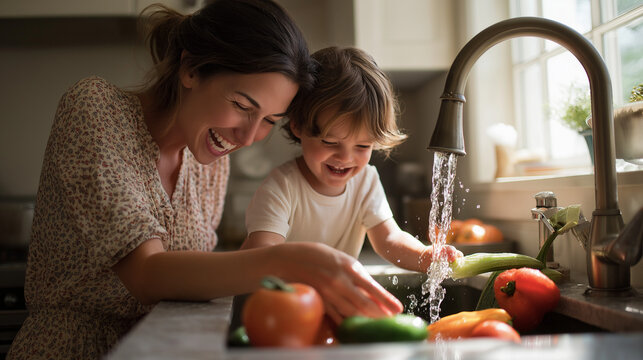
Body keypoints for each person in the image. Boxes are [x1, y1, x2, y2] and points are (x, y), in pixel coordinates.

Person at [7, 2, 402, 359]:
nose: (247, 138)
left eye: (268, 121)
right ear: (191, 68)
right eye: (242, 106)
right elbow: (147, 276)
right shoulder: (95, 109)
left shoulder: (210, 161)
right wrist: (286, 260)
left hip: (165, 347)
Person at [242, 47, 463, 321]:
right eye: (330, 142)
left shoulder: (366, 180)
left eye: (362, 145)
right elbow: (262, 256)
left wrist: (425, 255)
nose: (345, 158)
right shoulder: (281, 187)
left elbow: (389, 239)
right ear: (298, 126)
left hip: (334, 307)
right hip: (284, 313)